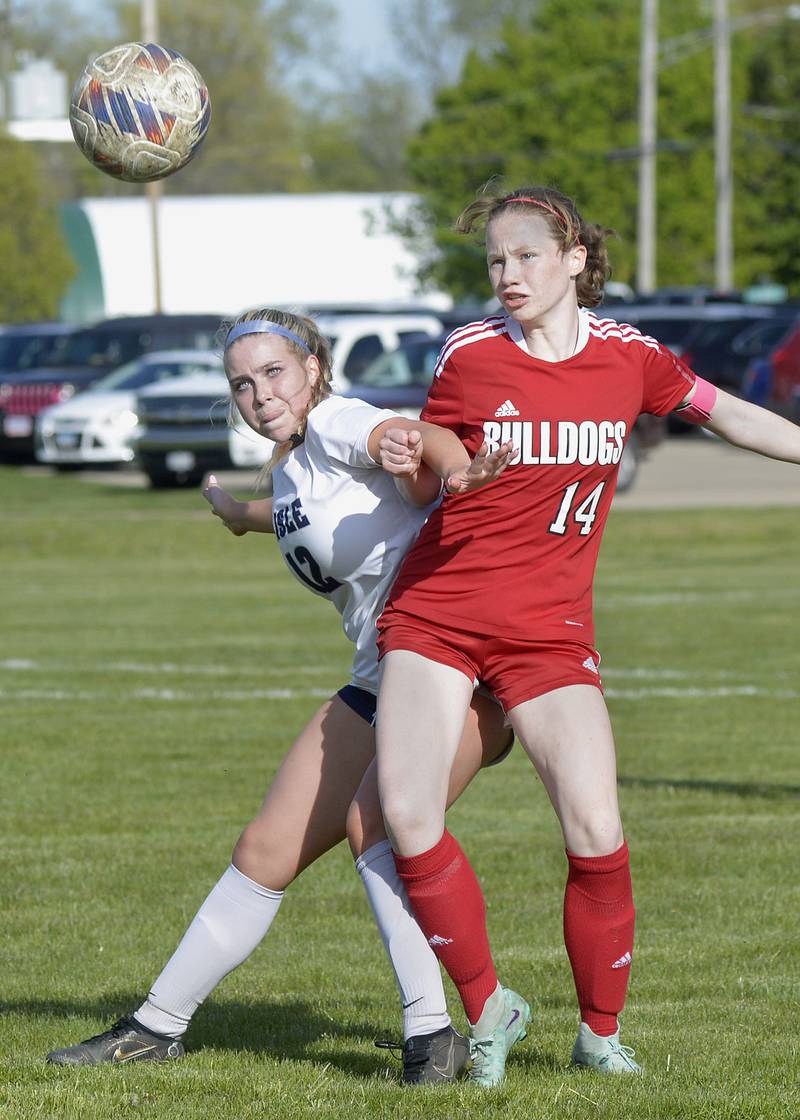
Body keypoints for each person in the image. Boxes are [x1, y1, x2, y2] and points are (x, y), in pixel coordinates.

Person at [373, 184, 800, 1081]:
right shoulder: (470, 354)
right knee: (408, 814)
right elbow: (434, 465)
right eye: (495, 261)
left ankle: (600, 1036)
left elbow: (724, 411)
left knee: (597, 825)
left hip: (547, 631)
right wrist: (448, 466)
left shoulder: (629, 358)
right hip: (440, 612)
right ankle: (490, 1009)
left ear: (574, 260)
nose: (508, 275)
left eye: (526, 256)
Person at [45, 308, 517, 1085]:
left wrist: (454, 464)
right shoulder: (296, 462)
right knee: (264, 851)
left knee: (379, 827)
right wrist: (241, 517)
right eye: (241, 382)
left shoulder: (335, 420)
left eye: (273, 372)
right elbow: (310, 515)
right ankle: (155, 1028)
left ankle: (434, 1038)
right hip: (383, 680)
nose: (259, 393)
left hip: (456, 672)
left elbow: (412, 436)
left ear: (313, 367)